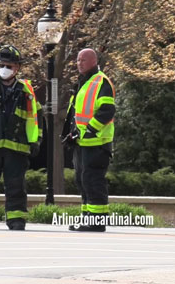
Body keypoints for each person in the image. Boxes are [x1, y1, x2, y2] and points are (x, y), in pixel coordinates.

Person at [0, 45, 40, 230]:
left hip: (17, 145)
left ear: (17, 68)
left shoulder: (26, 90)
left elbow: (34, 118)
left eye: (10, 65)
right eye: (3, 64)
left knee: (16, 184)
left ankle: (16, 218)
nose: (5, 68)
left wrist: (35, 140)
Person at [63, 48, 115, 232]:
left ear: (94, 61)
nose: (79, 63)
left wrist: (91, 130)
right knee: (82, 180)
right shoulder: (82, 82)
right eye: (77, 60)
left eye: (83, 60)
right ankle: (87, 217)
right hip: (83, 143)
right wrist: (72, 134)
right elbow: (75, 114)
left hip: (97, 143)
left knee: (93, 180)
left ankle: (97, 221)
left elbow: (107, 110)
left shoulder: (101, 81)